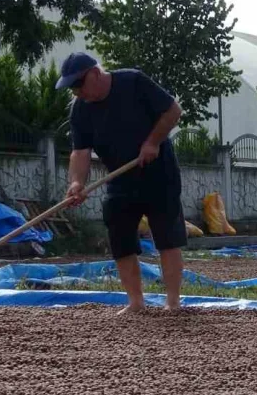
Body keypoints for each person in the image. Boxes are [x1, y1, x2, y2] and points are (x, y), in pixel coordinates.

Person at [57, 52, 186, 314]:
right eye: (72, 88)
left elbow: (173, 110)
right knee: (120, 236)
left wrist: (152, 142)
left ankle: (172, 302)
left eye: (78, 85)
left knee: (167, 237)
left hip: (159, 173)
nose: (77, 92)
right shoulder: (80, 109)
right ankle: (136, 303)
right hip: (120, 177)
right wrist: (76, 183)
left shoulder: (133, 82)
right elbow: (80, 151)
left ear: (94, 74)